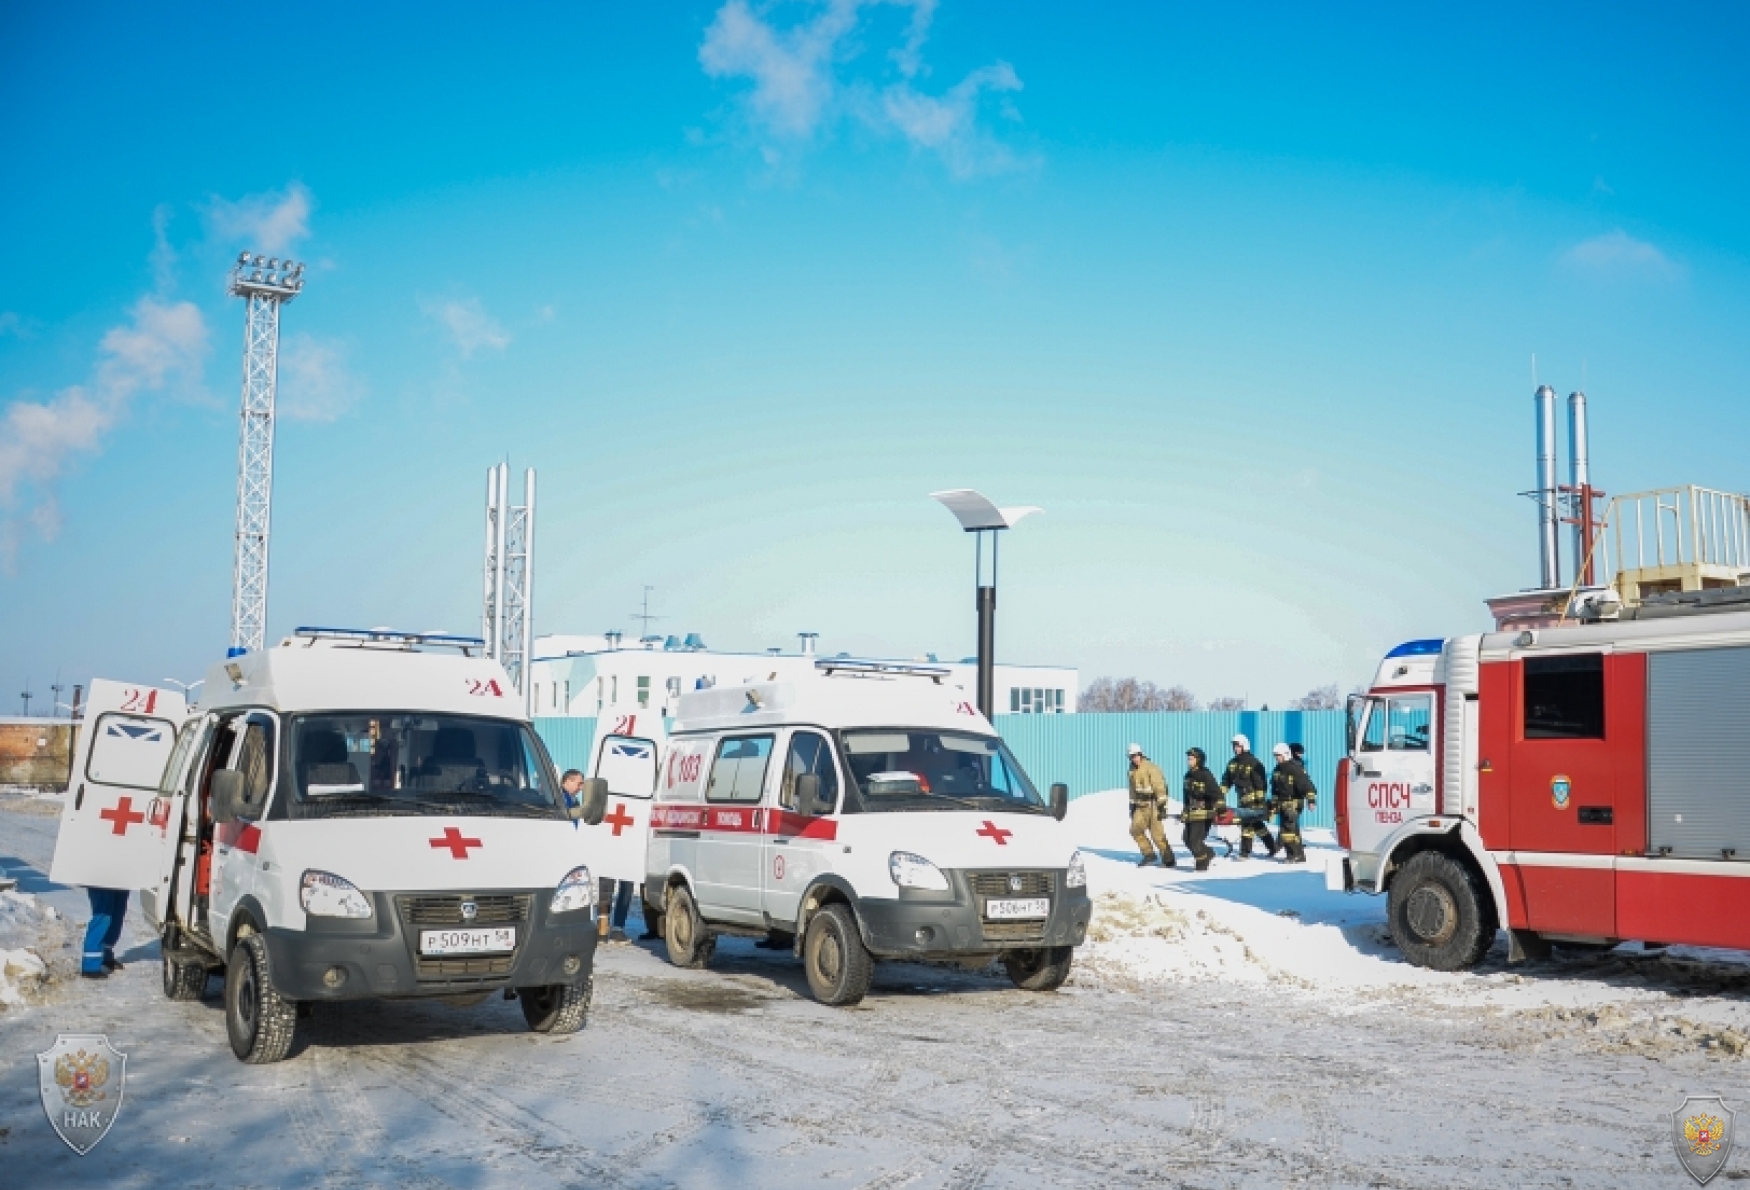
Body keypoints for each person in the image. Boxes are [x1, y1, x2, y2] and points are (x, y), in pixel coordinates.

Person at [1222, 733, 1277, 859]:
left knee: (1247, 825)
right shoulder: (1232, 763)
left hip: (1253, 801)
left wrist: (1260, 801)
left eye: (1238, 746)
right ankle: (1272, 846)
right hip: (1241, 799)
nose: (1236, 748)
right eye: (1234, 746)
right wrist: (1220, 794)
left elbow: (1260, 783)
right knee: (1257, 825)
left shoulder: (1253, 762)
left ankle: (1244, 853)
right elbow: (1226, 781)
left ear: (1245, 746)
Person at [1125, 744, 1174, 867]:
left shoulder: (1151, 768)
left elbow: (1160, 787)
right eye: (1131, 757)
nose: (1134, 759)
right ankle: (1149, 854)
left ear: (1140, 755)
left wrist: (1162, 806)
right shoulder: (1131, 770)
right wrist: (1132, 804)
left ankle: (1168, 859)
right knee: (1135, 830)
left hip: (1153, 804)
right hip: (1140, 805)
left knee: (1157, 834)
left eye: (1136, 756)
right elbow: (1132, 789)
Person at [1269, 743, 1318, 864]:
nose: (1277, 758)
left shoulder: (1295, 768)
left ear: (1285, 754)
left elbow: (1307, 785)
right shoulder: (1277, 770)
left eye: (1279, 756)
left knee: (1287, 830)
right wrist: (1273, 805)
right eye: (1276, 756)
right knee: (1293, 830)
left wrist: (1311, 800)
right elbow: (1275, 789)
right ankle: (1299, 855)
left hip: (1294, 804)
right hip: (1282, 803)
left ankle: (1291, 855)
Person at [1181, 748, 1223, 872]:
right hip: (1192, 812)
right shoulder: (1188, 775)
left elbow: (1216, 792)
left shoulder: (1205, 774)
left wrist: (1220, 807)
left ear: (1199, 760)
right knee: (1186, 839)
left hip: (1204, 813)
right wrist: (1185, 810)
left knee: (1195, 840)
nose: (1189, 761)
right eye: (1188, 759)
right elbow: (1186, 796)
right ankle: (1208, 853)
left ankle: (1202, 864)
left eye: (1192, 759)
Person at [81, 887, 129, 979]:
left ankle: (106, 956)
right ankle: (90, 966)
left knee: (117, 913)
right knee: (103, 915)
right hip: (101, 877)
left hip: (122, 878)